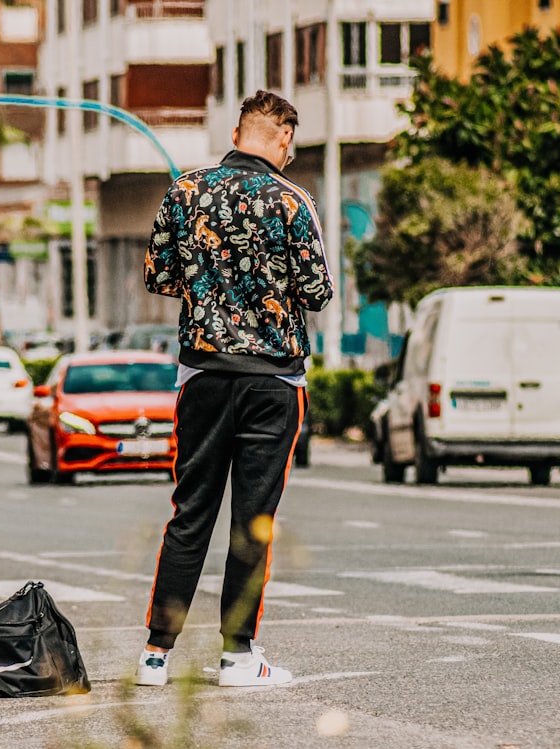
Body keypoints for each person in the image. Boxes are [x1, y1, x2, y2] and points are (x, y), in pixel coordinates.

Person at [136, 90, 333, 688]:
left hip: (201, 376)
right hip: (272, 381)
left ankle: (154, 656)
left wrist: (213, 288)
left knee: (190, 512)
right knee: (253, 520)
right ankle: (238, 657)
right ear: (284, 140)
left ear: (237, 130)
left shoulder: (186, 191)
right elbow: (318, 291)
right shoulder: (295, 202)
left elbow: (159, 276)